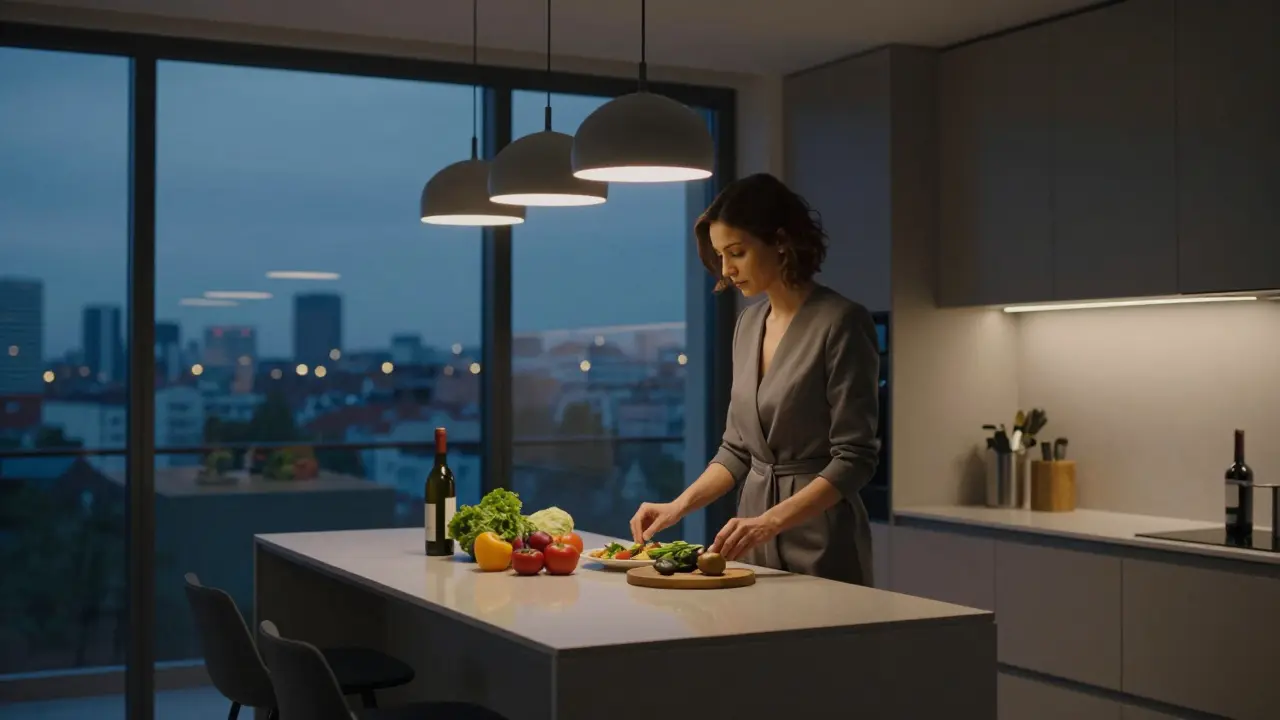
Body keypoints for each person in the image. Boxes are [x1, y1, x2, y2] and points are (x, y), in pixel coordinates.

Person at [629, 173, 882, 585]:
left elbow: (855, 459)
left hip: (821, 535)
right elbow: (737, 450)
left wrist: (771, 521)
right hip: (752, 534)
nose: (726, 270)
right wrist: (678, 506)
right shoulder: (749, 324)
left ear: (781, 241)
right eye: (719, 255)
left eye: (737, 253)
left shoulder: (842, 322)